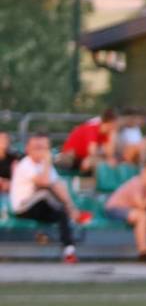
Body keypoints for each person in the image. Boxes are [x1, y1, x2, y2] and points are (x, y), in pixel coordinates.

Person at [10, 133, 84, 261]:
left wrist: (70, 206)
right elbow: (44, 182)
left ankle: (69, 250)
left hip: (41, 207)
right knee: (45, 192)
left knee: (61, 213)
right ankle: (72, 213)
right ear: (28, 149)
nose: (41, 151)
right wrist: (47, 161)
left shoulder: (44, 165)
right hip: (23, 208)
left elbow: (58, 185)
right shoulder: (25, 164)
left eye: (43, 148)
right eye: (37, 148)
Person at [105, 163, 146, 261]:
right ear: (144, 173)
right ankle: (143, 253)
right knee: (142, 216)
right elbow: (141, 206)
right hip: (114, 208)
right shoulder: (136, 183)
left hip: (132, 210)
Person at [58, 109, 115, 175]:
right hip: (70, 157)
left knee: (104, 163)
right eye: (114, 124)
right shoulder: (93, 129)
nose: (115, 127)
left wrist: (113, 136)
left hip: (82, 159)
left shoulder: (106, 134)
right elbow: (92, 152)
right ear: (110, 123)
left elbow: (109, 155)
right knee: (97, 162)